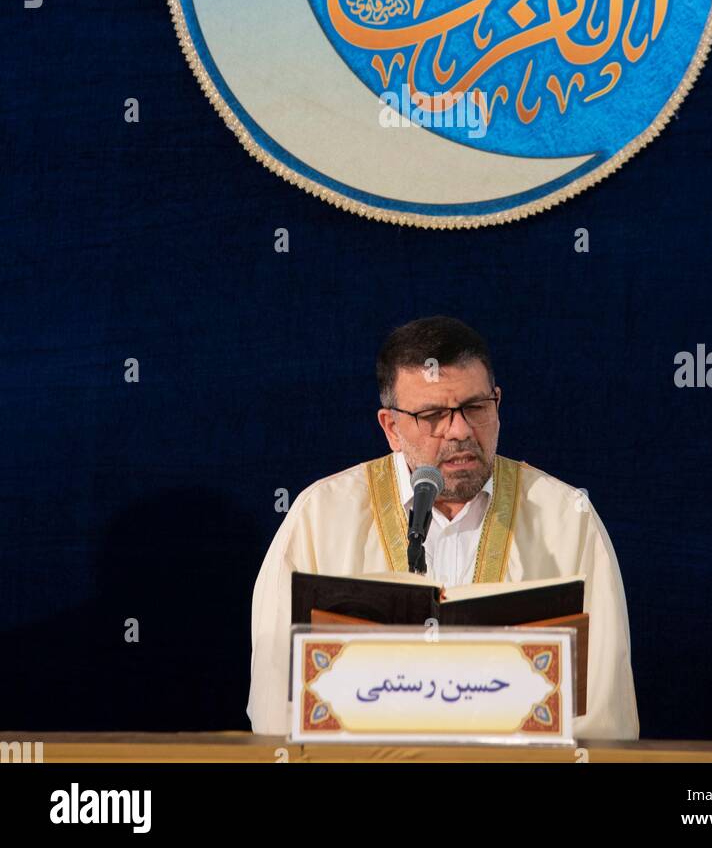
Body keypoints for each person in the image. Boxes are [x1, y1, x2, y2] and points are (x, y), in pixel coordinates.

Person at [247, 315, 639, 740]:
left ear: (498, 404)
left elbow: (603, 713)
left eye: (475, 407)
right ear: (391, 428)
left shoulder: (567, 519)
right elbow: (277, 704)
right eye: (433, 415)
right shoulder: (319, 519)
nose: (460, 431)